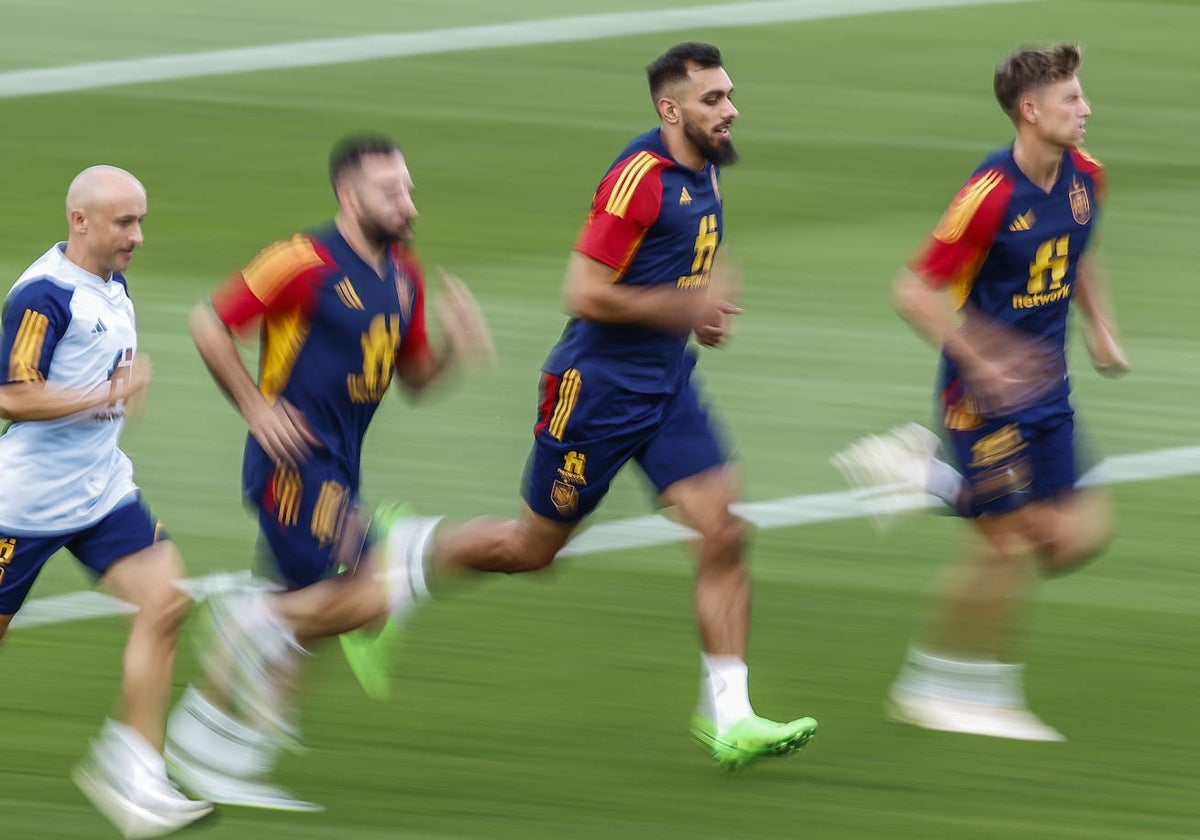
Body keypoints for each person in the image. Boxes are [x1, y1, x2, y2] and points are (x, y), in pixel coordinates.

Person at [341, 41, 818, 770]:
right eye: (714, 100)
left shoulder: (706, 171)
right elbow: (583, 291)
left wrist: (705, 313)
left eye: (729, 96)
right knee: (533, 551)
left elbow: (685, 273)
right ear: (671, 110)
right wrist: (683, 306)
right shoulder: (638, 180)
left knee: (723, 531)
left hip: (665, 388)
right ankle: (399, 555)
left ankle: (730, 717)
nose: (731, 110)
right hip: (594, 396)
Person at [163, 135, 495, 810]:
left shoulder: (405, 273)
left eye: (408, 188)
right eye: (390, 191)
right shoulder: (302, 261)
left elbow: (414, 380)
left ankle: (229, 758)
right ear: (350, 197)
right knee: (367, 598)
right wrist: (256, 409)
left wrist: (456, 347)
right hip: (291, 464)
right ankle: (244, 622)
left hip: (340, 467)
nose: (408, 204)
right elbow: (208, 322)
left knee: (315, 625)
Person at [833, 44, 1128, 741]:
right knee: (1007, 545)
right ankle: (945, 688)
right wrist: (981, 359)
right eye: (1071, 101)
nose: (1086, 110)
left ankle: (925, 477)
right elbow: (911, 292)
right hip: (981, 396)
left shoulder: (1088, 177)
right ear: (1031, 112)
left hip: (1049, 388)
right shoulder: (988, 196)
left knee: (1076, 538)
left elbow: (1080, 248)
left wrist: (1102, 328)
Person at [0, 165, 213, 837]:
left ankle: (135, 773)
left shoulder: (110, 284)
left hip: (100, 493)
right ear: (80, 220)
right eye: (125, 222)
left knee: (168, 601)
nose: (139, 236)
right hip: (22, 507)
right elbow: (11, 393)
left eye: (141, 220)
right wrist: (106, 395)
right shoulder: (43, 296)